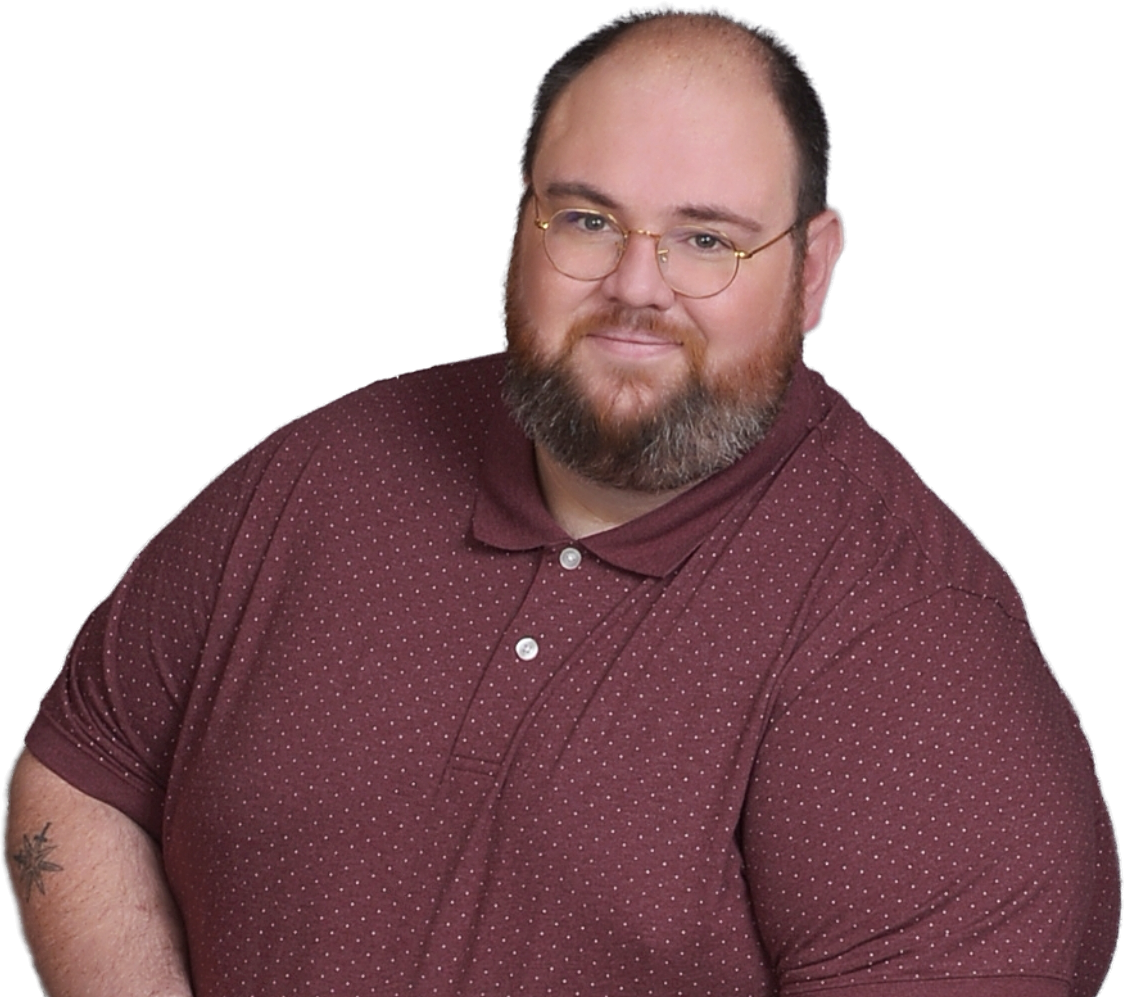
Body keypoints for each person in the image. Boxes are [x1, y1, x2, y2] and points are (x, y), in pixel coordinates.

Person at [4, 5, 1120, 996]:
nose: (636, 287)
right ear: (520, 226)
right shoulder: (314, 475)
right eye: (586, 219)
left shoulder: (918, 658)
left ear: (814, 269)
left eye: (705, 240)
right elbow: (77, 771)